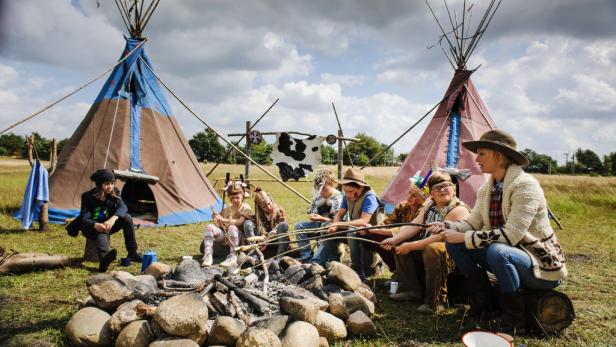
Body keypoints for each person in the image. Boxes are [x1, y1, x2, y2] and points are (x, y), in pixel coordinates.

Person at [427, 129, 567, 333]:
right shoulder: (487, 189)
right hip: (510, 258)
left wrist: (465, 236)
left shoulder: (526, 186)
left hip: (540, 266)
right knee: (454, 243)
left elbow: (512, 235)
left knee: (497, 251)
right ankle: (486, 307)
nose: (477, 158)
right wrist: (448, 226)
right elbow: (472, 223)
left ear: (499, 155)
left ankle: (514, 320)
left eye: (482, 153)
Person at [381, 173, 469, 313]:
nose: (442, 190)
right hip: (427, 247)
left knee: (433, 249)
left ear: (454, 189)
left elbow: (440, 237)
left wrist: (410, 246)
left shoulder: (459, 210)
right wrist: (395, 239)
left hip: (454, 255)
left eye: (446, 186)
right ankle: (411, 289)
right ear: (432, 194)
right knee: (401, 242)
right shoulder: (430, 206)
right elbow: (415, 225)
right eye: (437, 188)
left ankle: (436, 301)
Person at [311, 167, 380, 281]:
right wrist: (334, 224)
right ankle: (333, 263)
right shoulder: (347, 195)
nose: (348, 195)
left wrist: (339, 225)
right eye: (345, 191)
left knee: (351, 231)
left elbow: (363, 221)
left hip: (371, 235)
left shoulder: (369, 197)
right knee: (325, 226)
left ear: (361, 187)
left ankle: (358, 270)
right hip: (354, 230)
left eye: (351, 192)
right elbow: (339, 214)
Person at [75, 169, 142, 272]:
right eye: (107, 184)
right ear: (99, 184)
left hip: (108, 224)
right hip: (91, 227)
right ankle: (104, 261)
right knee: (101, 232)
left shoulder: (114, 192)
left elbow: (123, 208)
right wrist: (95, 224)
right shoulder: (87, 197)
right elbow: (84, 218)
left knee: (127, 218)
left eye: (112, 183)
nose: (110, 186)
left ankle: (132, 252)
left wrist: (113, 219)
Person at [362, 181, 427, 278]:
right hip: (396, 239)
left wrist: (375, 230)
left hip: (414, 244)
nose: (409, 197)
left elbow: (406, 229)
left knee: (380, 235)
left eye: (414, 196)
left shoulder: (424, 210)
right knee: (372, 237)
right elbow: (387, 224)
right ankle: (396, 270)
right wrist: (371, 229)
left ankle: (409, 275)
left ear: (422, 199)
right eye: (409, 193)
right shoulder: (402, 206)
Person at [294, 169, 343, 262]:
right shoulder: (319, 196)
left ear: (332, 184)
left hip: (335, 227)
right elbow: (312, 212)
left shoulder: (338, 198)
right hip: (319, 225)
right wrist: (312, 216)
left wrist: (322, 219)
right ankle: (307, 258)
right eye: (318, 188)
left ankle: (318, 260)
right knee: (299, 226)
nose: (321, 191)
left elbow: (339, 221)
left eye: (324, 188)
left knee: (325, 226)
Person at [202, 181, 254, 267]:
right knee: (209, 227)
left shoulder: (245, 207)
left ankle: (233, 256)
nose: (235, 200)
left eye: (237, 197)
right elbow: (219, 226)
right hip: (225, 238)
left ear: (243, 195)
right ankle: (208, 255)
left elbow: (240, 222)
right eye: (232, 198)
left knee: (232, 227)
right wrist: (216, 219)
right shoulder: (227, 209)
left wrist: (224, 219)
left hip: (238, 238)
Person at [245, 187, 289, 257]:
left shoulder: (278, 211)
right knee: (247, 223)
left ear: (270, 200)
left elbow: (278, 228)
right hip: (263, 242)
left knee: (283, 225)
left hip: (276, 239)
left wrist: (267, 239)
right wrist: (262, 237)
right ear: (260, 207)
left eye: (269, 204)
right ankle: (254, 253)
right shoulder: (259, 215)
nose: (268, 207)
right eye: (264, 207)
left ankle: (280, 255)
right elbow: (261, 229)